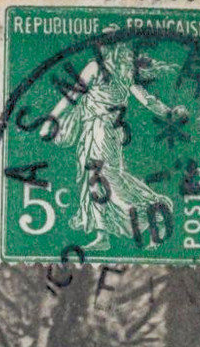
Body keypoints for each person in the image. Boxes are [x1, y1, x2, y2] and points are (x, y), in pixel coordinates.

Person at [46, 35, 186, 249]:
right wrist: (168, 112)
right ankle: (104, 235)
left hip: (99, 131)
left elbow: (71, 96)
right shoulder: (125, 71)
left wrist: (52, 120)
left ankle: (156, 213)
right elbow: (146, 99)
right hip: (108, 132)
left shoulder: (95, 68)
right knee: (103, 179)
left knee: (103, 180)